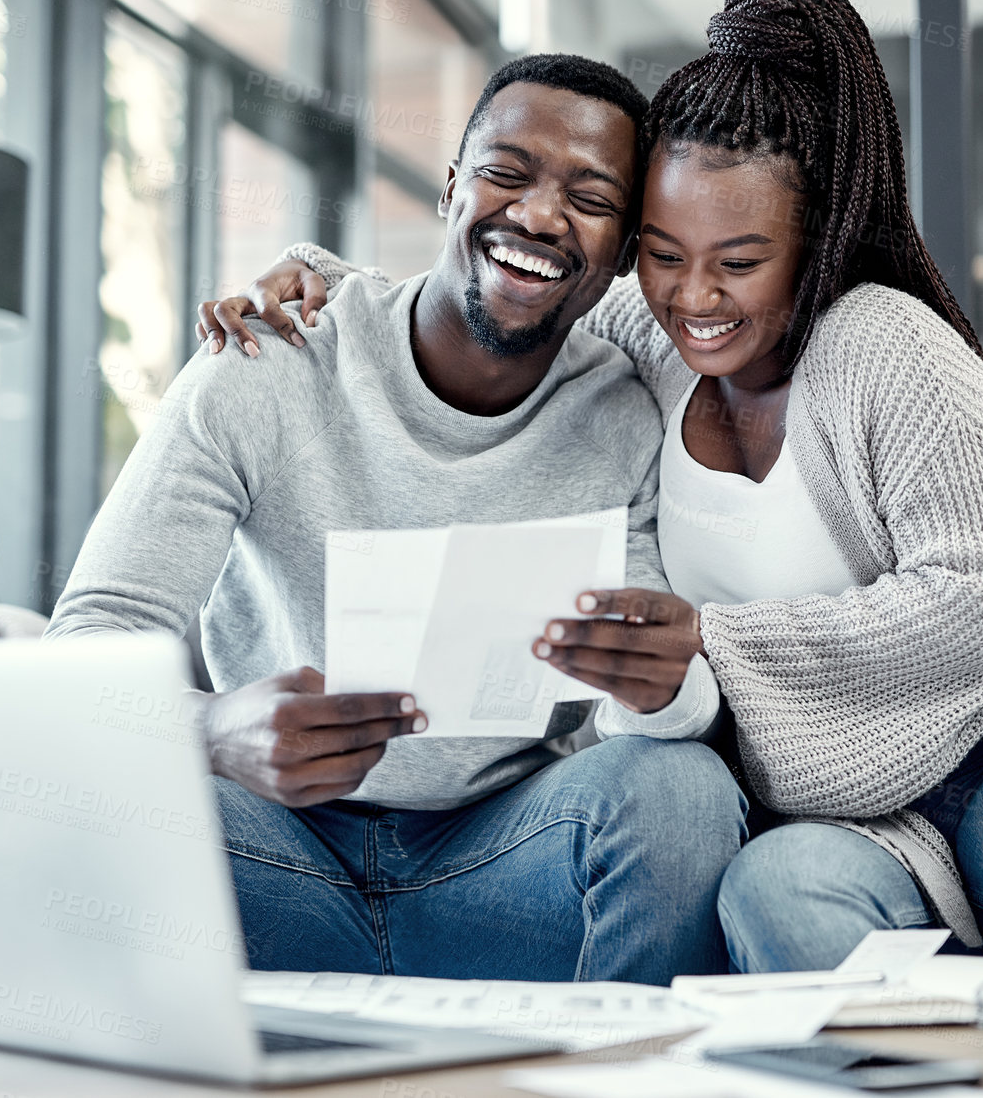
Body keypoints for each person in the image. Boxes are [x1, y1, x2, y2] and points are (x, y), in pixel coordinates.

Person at [196, 0, 983, 974]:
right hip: (848, 820)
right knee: (777, 896)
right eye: (664, 255)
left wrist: (713, 647)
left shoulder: (885, 344)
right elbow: (505, 290)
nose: (696, 298)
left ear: (816, 242)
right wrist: (328, 291)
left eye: (741, 263)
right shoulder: (652, 342)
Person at [46, 54, 748, 987]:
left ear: (621, 255)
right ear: (453, 187)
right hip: (272, 847)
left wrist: (666, 690)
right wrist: (213, 732)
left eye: (588, 196)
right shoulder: (261, 366)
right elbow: (83, 649)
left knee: (682, 791)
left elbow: (643, 706)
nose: (539, 216)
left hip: (502, 859)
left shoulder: (623, 416)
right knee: (87, 796)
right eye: (507, 172)